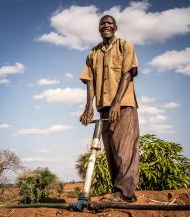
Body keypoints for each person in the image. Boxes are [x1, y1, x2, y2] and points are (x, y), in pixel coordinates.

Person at [79, 15, 139, 203]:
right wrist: (89, 106)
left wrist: (116, 103)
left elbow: (128, 73)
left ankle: (125, 193)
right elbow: (89, 81)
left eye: (109, 23)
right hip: (103, 108)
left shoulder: (125, 45)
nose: (106, 25)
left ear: (115, 27)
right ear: (99, 28)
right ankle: (117, 191)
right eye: (102, 23)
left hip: (124, 106)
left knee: (125, 149)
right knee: (111, 151)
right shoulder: (93, 53)